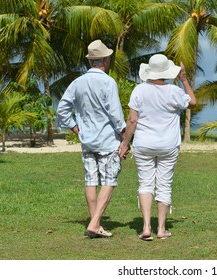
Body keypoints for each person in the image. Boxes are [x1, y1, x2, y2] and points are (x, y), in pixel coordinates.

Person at [118, 54, 196, 241]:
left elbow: (132, 120)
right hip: (168, 144)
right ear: (167, 72)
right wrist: (184, 80)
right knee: (164, 184)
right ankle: (161, 229)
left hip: (144, 143)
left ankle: (146, 227)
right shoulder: (174, 91)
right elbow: (192, 102)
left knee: (145, 183)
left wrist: (125, 143)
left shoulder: (139, 90)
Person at [57, 40, 126, 238]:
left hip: (87, 140)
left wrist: (75, 129)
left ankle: (95, 223)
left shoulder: (78, 82)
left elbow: (62, 109)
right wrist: (124, 138)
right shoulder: (108, 82)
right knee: (109, 181)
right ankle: (95, 223)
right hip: (107, 140)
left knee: (90, 180)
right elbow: (115, 114)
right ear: (105, 60)